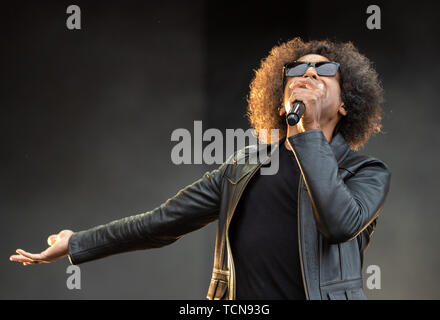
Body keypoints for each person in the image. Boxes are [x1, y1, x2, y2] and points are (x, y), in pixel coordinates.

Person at [9, 37, 391, 300]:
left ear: (346, 104)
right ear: (279, 102)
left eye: (324, 71)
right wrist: (77, 242)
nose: (307, 74)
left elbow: (339, 223)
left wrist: (306, 132)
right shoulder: (242, 168)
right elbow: (159, 223)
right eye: (297, 70)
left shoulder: (366, 173)